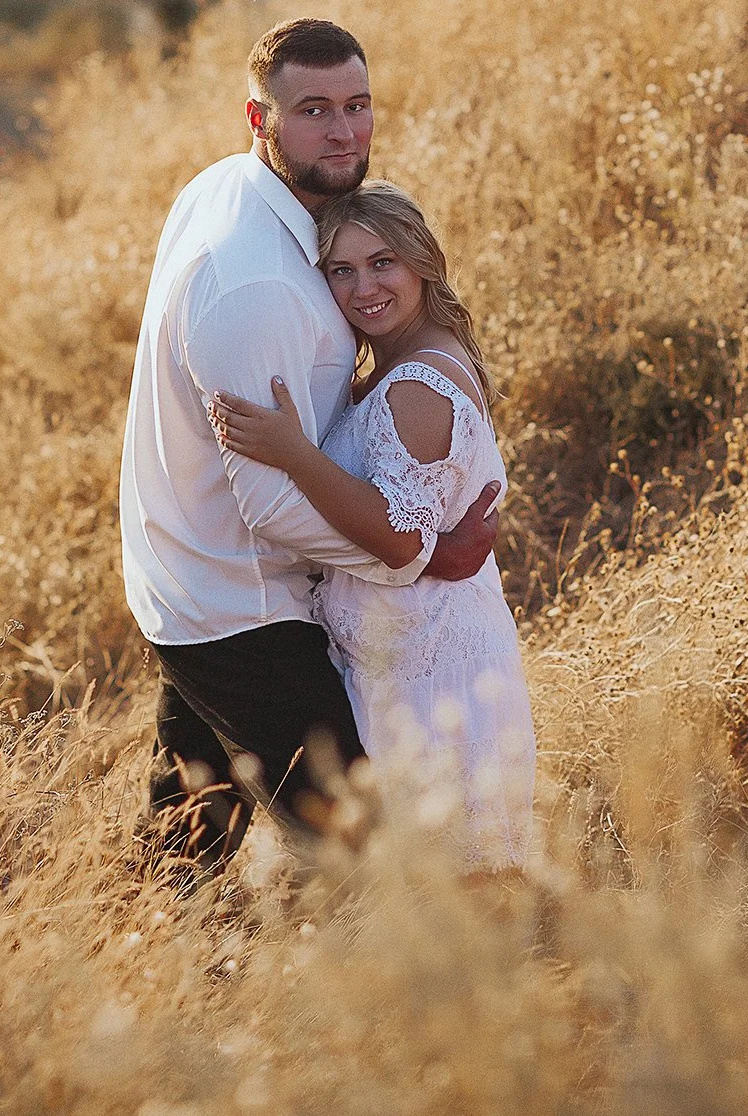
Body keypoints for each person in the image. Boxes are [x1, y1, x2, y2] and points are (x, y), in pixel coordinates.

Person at [119, 17, 500, 879]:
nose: (343, 131)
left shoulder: (228, 187)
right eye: (314, 110)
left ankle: (135, 947)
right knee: (364, 851)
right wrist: (420, 554)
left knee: (184, 849)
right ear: (260, 120)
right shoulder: (257, 284)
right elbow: (273, 504)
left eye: (357, 105)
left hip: (191, 580)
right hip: (246, 609)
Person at [209, 183, 537, 868]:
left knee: (451, 881)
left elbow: (399, 539)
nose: (364, 288)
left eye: (382, 262)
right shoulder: (406, 360)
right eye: (341, 270)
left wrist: (293, 453)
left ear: (421, 261)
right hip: (408, 658)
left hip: (433, 672)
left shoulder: (417, 385)